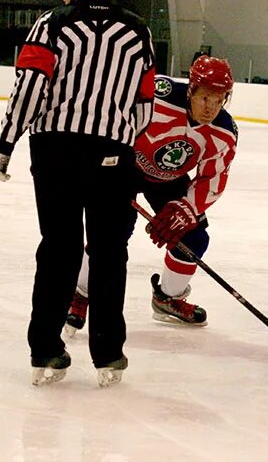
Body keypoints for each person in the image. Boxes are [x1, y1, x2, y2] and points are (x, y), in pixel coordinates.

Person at [0, 0, 156, 387]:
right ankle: (108, 353)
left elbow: (28, 92)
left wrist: (5, 144)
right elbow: (144, 103)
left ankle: (45, 349)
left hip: (56, 153)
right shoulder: (138, 30)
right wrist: (120, 143)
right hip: (113, 156)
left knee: (59, 249)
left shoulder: (50, 25)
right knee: (109, 254)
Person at [65, 55, 237, 333]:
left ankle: (167, 297)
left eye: (219, 100)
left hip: (169, 180)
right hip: (125, 168)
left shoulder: (224, 132)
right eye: (206, 98)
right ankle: (81, 292)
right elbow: (111, 118)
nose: (211, 108)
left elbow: (213, 178)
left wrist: (186, 208)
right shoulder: (159, 97)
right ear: (191, 89)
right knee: (111, 231)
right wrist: (103, 164)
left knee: (194, 238)